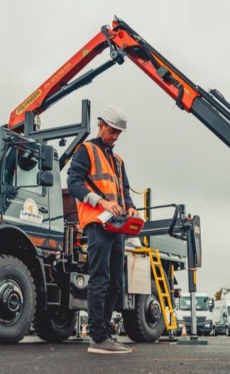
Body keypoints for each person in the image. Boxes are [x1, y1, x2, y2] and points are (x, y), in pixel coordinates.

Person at [67, 105, 138, 354]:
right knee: (101, 278)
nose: (114, 137)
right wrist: (100, 202)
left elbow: (124, 192)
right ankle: (98, 338)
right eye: (111, 131)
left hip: (116, 226)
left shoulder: (118, 161)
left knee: (116, 283)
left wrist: (130, 208)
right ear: (100, 124)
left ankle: (104, 334)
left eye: (118, 133)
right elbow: (73, 181)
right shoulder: (86, 150)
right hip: (97, 222)